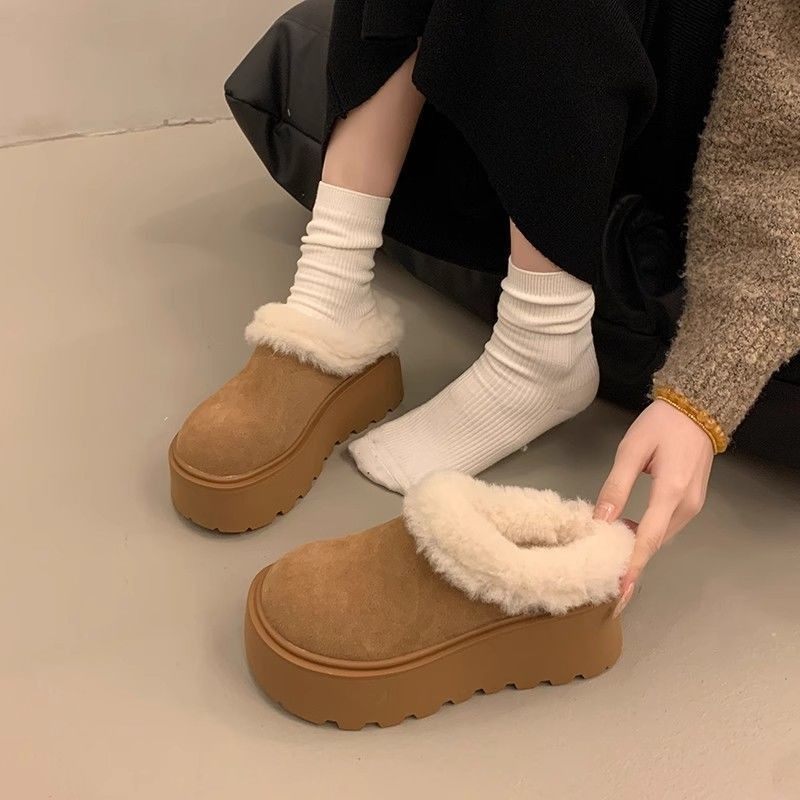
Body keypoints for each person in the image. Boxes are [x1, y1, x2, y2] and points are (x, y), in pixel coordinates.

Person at [173, 0, 800, 614]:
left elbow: (775, 132)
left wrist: (705, 392)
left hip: (712, 125)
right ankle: (329, 288)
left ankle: (540, 343)